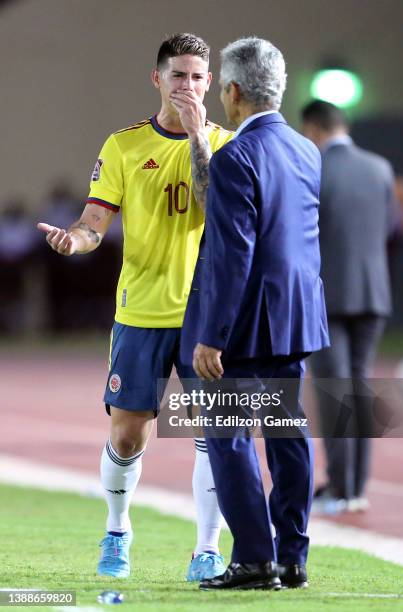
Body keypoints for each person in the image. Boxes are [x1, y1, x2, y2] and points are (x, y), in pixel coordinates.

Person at [37, 33, 231, 581]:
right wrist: (73, 242)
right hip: (141, 312)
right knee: (128, 434)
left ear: (210, 82)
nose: (187, 86)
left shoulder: (225, 141)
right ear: (157, 79)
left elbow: (217, 206)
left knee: (214, 434)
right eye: (177, 75)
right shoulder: (122, 146)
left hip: (206, 317)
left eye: (197, 76)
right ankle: (118, 531)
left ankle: (207, 550)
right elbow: (94, 223)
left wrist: (197, 136)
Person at [181, 37, 329, 590]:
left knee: (229, 437)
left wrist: (212, 336)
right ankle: (292, 558)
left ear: (234, 91)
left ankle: (253, 559)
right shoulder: (306, 150)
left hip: (244, 325)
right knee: (289, 434)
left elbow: (232, 253)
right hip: (296, 316)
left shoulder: (235, 157)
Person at [301, 100, 397, 514]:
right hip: (373, 293)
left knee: (334, 390)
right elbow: (392, 226)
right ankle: (356, 485)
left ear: (313, 129)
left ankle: (340, 487)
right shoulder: (379, 168)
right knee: (358, 386)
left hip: (329, 295)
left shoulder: (316, 167)